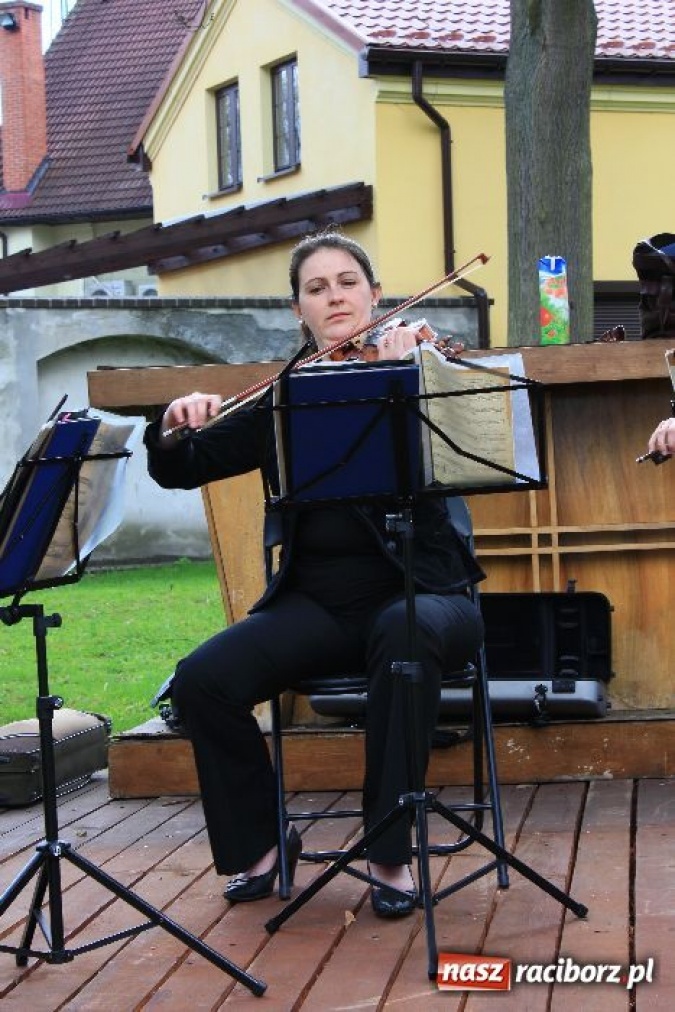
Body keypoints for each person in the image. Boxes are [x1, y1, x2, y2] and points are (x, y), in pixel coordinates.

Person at [144, 229, 486, 919]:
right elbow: (183, 467)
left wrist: (416, 380)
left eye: (346, 283)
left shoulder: (421, 366)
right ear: (298, 310)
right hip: (319, 607)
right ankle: (264, 848)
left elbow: (480, 440)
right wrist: (172, 426)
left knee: (403, 634)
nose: (333, 297)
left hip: (429, 594)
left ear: (374, 295)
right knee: (202, 680)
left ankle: (389, 853)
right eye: (316, 288)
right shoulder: (285, 395)